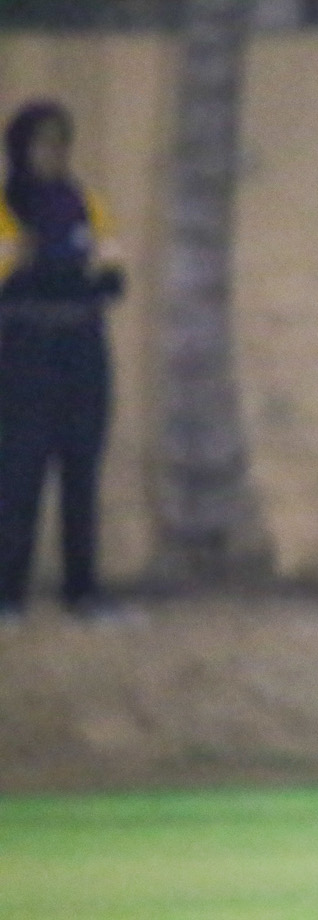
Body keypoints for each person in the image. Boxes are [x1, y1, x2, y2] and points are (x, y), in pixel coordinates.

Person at [0, 100, 126, 622]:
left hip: (83, 354)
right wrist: (55, 272)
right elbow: (12, 281)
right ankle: (7, 595)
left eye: (60, 142)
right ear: (19, 149)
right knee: (18, 479)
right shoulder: (5, 206)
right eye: (41, 143)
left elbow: (113, 278)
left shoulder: (85, 202)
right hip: (24, 357)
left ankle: (83, 593)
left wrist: (49, 269)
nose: (53, 153)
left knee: (81, 476)